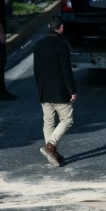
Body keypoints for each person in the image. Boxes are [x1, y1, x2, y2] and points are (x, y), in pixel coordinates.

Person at [33, 16, 77, 167]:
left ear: (48, 27)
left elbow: (36, 70)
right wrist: (72, 90)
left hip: (44, 91)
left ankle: (53, 154)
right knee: (67, 120)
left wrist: (40, 90)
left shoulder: (38, 45)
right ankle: (51, 145)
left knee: (48, 122)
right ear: (62, 27)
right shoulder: (62, 45)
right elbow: (66, 70)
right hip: (60, 91)